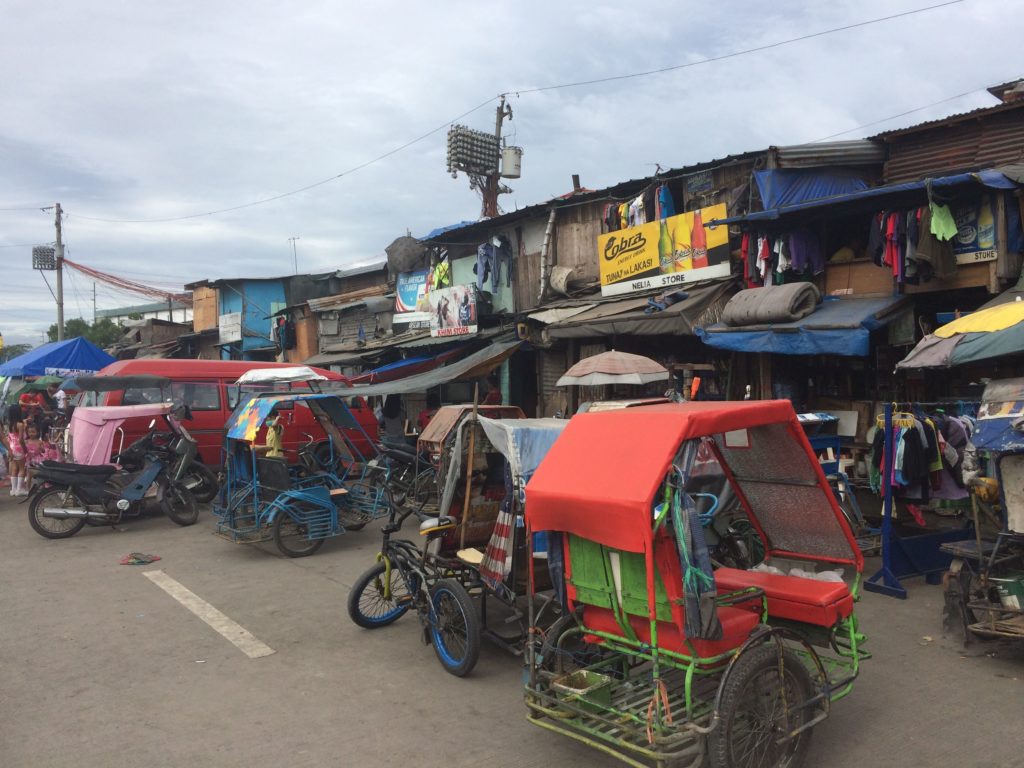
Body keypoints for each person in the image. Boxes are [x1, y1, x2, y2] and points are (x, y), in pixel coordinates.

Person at [4, 403, 28, 496]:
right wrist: (25, 449)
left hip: (11, 448)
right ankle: (19, 489)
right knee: (22, 468)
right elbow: (21, 439)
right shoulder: (20, 424)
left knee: (14, 468)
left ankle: (13, 490)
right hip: (19, 449)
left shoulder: (10, 424)